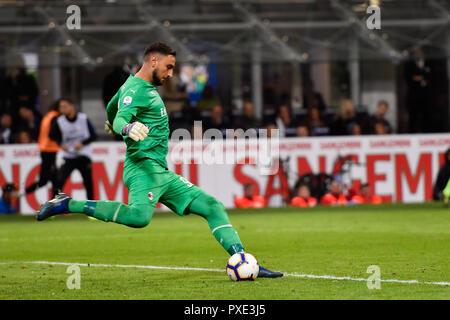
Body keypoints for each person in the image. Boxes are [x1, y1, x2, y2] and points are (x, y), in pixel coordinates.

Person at [37, 42, 282, 278]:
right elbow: (122, 116)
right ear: (153, 61)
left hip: (159, 171)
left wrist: (113, 122)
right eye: (169, 66)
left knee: (212, 206)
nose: (171, 73)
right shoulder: (135, 91)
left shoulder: (133, 88)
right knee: (139, 218)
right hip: (142, 167)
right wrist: (125, 127)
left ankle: (244, 260)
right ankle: (68, 204)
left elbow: (113, 107)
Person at [49, 98, 97, 200]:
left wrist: (82, 143)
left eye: (65, 106)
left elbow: (94, 135)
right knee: (59, 181)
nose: (62, 109)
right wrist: (60, 144)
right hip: (69, 156)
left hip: (83, 155)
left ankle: (91, 207)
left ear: (72, 106)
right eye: (61, 107)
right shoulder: (59, 121)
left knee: (88, 183)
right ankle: (52, 206)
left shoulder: (83, 118)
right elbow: (52, 135)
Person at [24, 100, 60, 197]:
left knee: (51, 179)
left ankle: (54, 200)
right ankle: (23, 193)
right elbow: (52, 134)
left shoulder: (48, 116)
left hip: (45, 149)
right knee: (49, 180)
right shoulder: (55, 118)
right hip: (50, 150)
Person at [404, 47, 432, 133]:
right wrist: (417, 78)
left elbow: (431, 77)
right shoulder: (409, 64)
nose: (418, 54)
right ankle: (412, 132)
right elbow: (408, 77)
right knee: (413, 115)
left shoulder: (428, 63)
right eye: (416, 52)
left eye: (419, 52)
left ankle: (426, 131)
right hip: (413, 95)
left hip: (425, 95)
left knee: (425, 114)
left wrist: (423, 79)